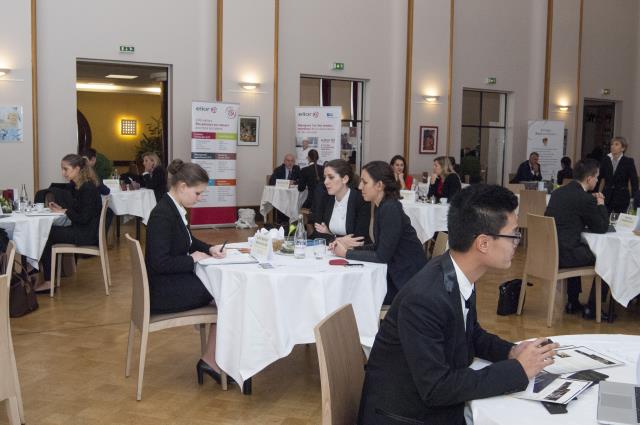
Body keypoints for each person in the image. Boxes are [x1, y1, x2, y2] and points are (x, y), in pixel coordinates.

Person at [357, 184, 559, 425]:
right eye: (513, 234)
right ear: (483, 243)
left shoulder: (455, 272)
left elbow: (469, 333)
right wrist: (518, 370)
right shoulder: (425, 298)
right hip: (407, 416)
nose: (518, 241)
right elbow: (437, 388)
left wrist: (510, 351)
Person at [145, 159, 231, 388]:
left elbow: (189, 241)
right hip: (162, 291)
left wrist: (208, 249)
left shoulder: (173, 208)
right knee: (227, 295)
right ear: (182, 186)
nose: (199, 198)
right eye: (198, 193)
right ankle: (212, 360)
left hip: (170, 283)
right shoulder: (162, 215)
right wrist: (191, 259)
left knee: (223, 293)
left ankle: (212, 359)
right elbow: (158, 263)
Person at [330, 161, 426, 304]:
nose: (360, 186)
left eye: (364, 182)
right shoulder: (382, 206)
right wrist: (351, 248)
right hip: (397, 273)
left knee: (354, 294)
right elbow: (379, 246)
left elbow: (381, 255)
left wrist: (346, 253)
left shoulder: (389, 209)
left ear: (379, 185)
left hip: (406, 282)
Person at [545, 159, 609, 319]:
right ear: (589, 179)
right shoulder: (585, 199)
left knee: (576, 245)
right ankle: (593, 308)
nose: (597, 180)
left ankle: (572, 301)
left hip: (551, 252)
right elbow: (601, 227)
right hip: (566, 255)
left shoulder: (557, 192)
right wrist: (600, 203)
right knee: (607, 257)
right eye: (596, 177)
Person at [36, 154, 103, 292]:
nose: (63, 173)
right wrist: (62, 210)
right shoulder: (81, 186)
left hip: (86, 235)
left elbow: (84, 218)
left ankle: (49, 282)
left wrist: (66, 211)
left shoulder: (87, 188)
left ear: (77, 168)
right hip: (83, 230)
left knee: (45, 234)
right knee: (47, 231)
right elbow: (80, 213)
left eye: (65, 169)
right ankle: (39, 272)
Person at [311, 159, 370, 243]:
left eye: (331, 177)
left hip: (354, 253)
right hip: (329, 251)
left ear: (345, 179)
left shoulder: (360, 200)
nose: (325, 182)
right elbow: (318, 234)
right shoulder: (325, 198)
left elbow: (359, 238)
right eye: (325, 177)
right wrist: (338, 238)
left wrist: (330, 234)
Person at [598, 137, 638, 213]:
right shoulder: (605, 160)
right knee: (604, 219)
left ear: (623, 148)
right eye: (612, 144)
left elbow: (634, 181)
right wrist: (598, 193)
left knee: (620, 220)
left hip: (622, 197)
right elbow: (600, 178)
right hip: (606, 196)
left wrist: (633, 198)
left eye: (616, 144)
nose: (612, 146)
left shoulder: (628, 161)